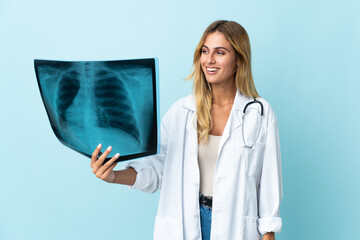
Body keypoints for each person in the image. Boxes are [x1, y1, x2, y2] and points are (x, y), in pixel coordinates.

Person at [90, 20, 283, 240]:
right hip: (187, 221)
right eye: (205, 51)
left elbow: (269, 186)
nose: (209, 60)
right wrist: (113, 176)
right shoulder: (181, 112)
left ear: (239, 60)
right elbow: (155, 170)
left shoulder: (259, 114)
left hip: (236, 225)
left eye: (220, 53)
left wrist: (268, 235)